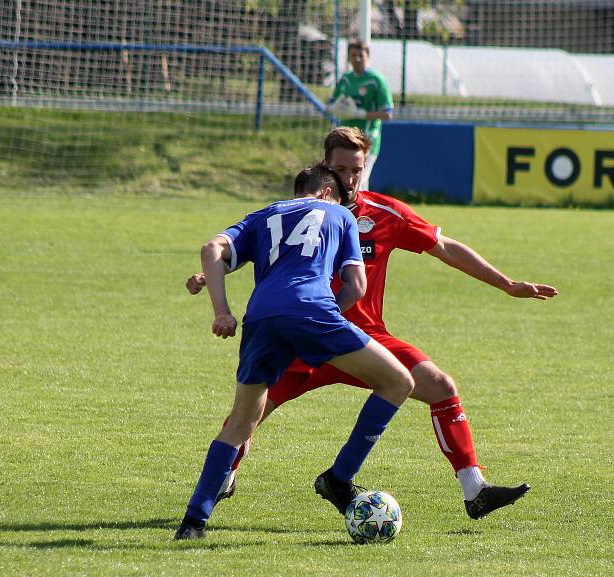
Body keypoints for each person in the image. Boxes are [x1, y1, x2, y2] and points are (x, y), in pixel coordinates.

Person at [187, 126, 558, 521]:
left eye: (356, 170)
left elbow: (445, 246)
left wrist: (506, 284)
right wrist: (209, 276)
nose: (349, 179)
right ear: (324, 166)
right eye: (341, 169)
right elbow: (256, 254)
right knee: (249, 412)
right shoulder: (296, 212)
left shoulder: (383, 213)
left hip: (365, 338)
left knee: (441, 386)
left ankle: (475, 489)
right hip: (303, 336)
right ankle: (222, 477)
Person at [174, 159, 415, 541]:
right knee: (398, 382)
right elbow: (357, 284)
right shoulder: (340, 215)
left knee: (241, 423)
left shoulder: (263, 216)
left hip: (261, 318)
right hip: (314, 312)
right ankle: (340, 478)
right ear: (325, 193)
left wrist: (222, 312)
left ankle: (193, 522)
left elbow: (212, 248)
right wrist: (327, 318)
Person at [326, 39, 393, 191]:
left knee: (359, 182)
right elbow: (330, 105)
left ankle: (361, 215)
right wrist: (335, 108)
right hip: (345, 138)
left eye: (360, 55)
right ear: (348, 57)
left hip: (367, 138)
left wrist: (359, 114)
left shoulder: (376, 80)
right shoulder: (345, 79)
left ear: (367, 57)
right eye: (353, 55)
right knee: (342, 182)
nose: (356, 59)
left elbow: (387, 114)